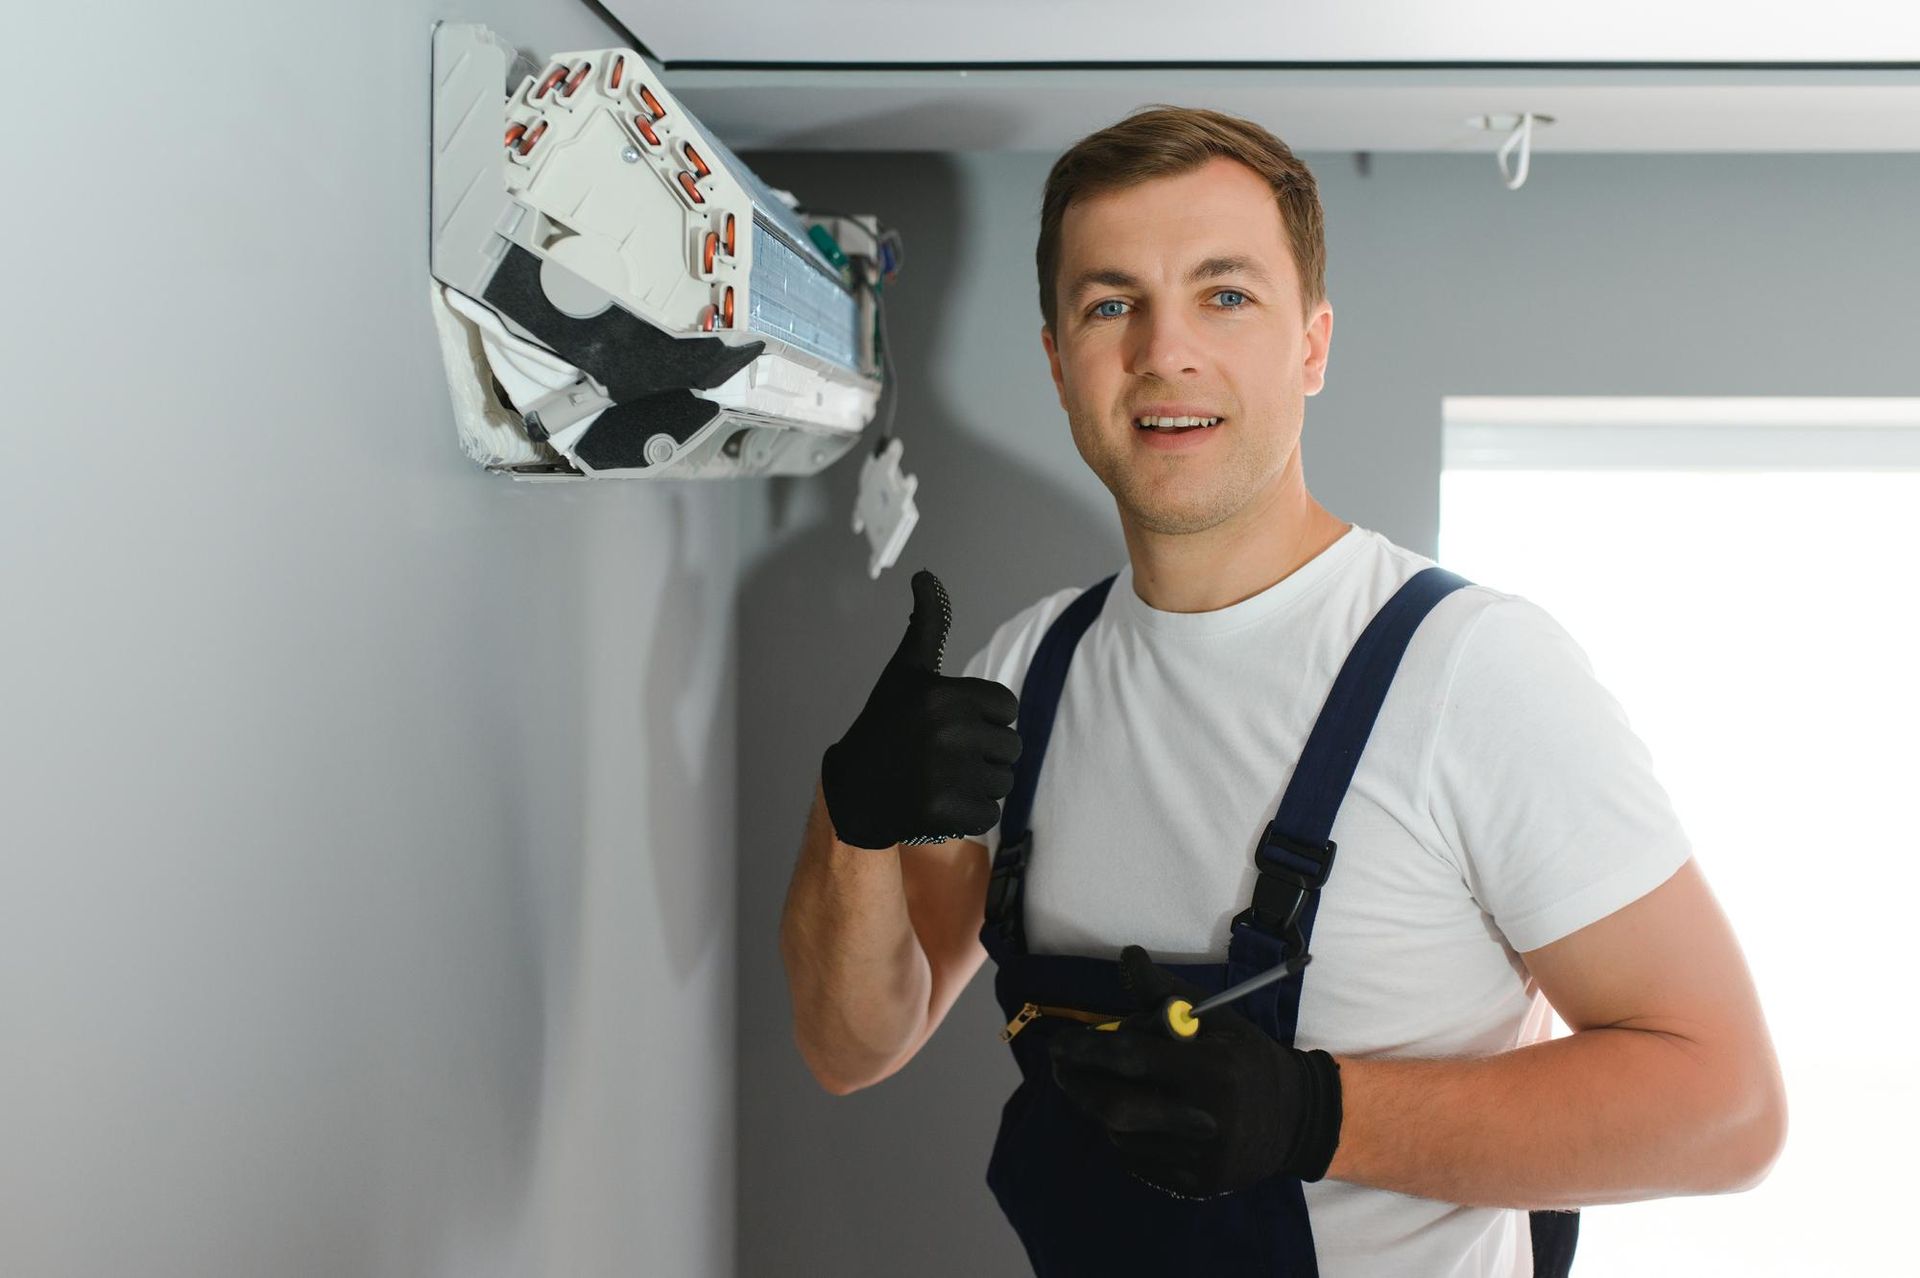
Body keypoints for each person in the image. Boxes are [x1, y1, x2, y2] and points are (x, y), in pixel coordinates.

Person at [780, 106, 1786, 1277]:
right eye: (1112, 304)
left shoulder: (1471, 672)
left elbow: (1727, 1106)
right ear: (1059, 360)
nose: (1164, 352)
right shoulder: (1027, 669)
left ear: (1311, 345)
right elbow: (852, 1044)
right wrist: (847, 823)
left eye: (1225, 296)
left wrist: (1319, 1116)